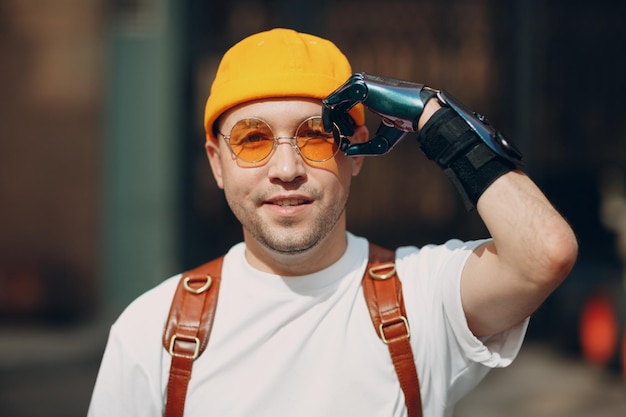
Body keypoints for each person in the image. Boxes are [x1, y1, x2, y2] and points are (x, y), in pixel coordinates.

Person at [87, 28, 578, 417]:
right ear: (217, 163)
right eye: (254, 141)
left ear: (357, 150)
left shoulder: (420, 297)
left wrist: (439, 121)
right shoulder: (152, 331)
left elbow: (544, 253)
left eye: (317, 136)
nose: (286, 170)